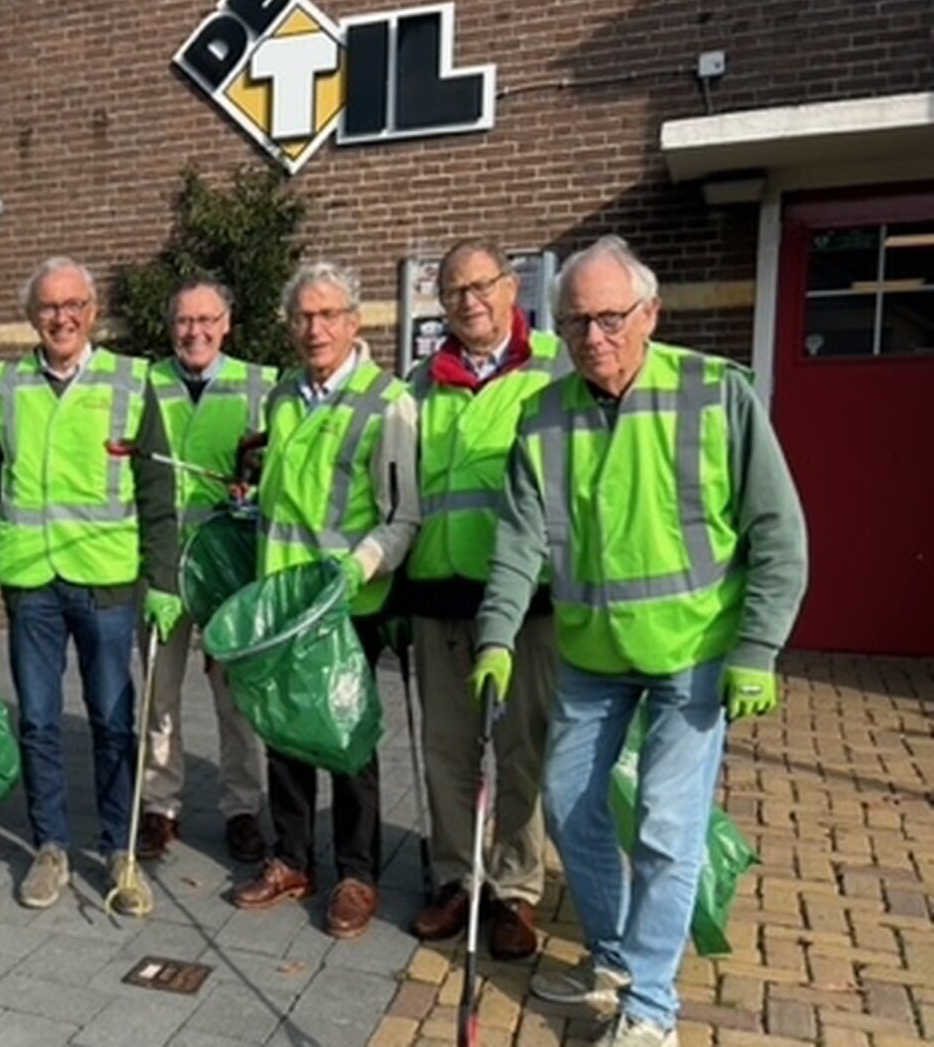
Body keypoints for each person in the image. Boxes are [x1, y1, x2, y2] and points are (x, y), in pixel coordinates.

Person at [475, 236, 807, 1047]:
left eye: (611, 318)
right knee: (571, 807)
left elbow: (779, 532)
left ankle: (652, 1008)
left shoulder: (714, 393)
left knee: (664, 826)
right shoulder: (544, 415)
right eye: (575, 322)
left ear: (649, 314)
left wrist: (758, 648)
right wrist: (496, 637)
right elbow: (520, 543)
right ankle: (616, 960)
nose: (594, 338)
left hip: (694, 655)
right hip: (593, 656)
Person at [0, 256, 183, 912]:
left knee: (115, 721)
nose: (60, 318)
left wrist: (165, 578)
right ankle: (51, 848)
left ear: (91, 313)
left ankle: (120, 853)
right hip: (33, 581)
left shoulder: (130, 381)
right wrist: (3, 544)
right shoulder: (3, 388)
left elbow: (156, 489)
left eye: (73, 306)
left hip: (108, 583)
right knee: (36, 720)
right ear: (32, 316)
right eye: (47, 307)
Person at [233, 261, 419, 941]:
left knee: (346, 741)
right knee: (284, 733)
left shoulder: (387, 400)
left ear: (354, 321)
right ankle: (290, 859)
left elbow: (403, 515)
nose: (315, 328)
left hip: (346, 605)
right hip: (282, 602)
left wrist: (357, 571)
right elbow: (282, 501)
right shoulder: (283, 396)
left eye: (328, 315)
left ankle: (356, 874)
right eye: (303, 317)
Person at [403, 240, 567, 959]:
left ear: (511, 288)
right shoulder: (418, 384)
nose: (468, 302)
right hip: (441, 593)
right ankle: (453, 881)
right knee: (447, 750)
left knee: (521, 748)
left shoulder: (556, 368)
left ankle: (516, 891)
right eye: (452, 292)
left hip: (526, 597)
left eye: (480, 286)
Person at [136, 279, 273, 865]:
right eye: (183, 321)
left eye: (206, 320)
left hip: (227, 567)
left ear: (227, 324)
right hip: (164, 566)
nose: (194, 332)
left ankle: (243, 808)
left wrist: (257, 480)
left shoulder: (262, 385)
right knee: (157, 695)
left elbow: (281, 471)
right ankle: (158, 806)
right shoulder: (146, 383)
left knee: (235, 699)